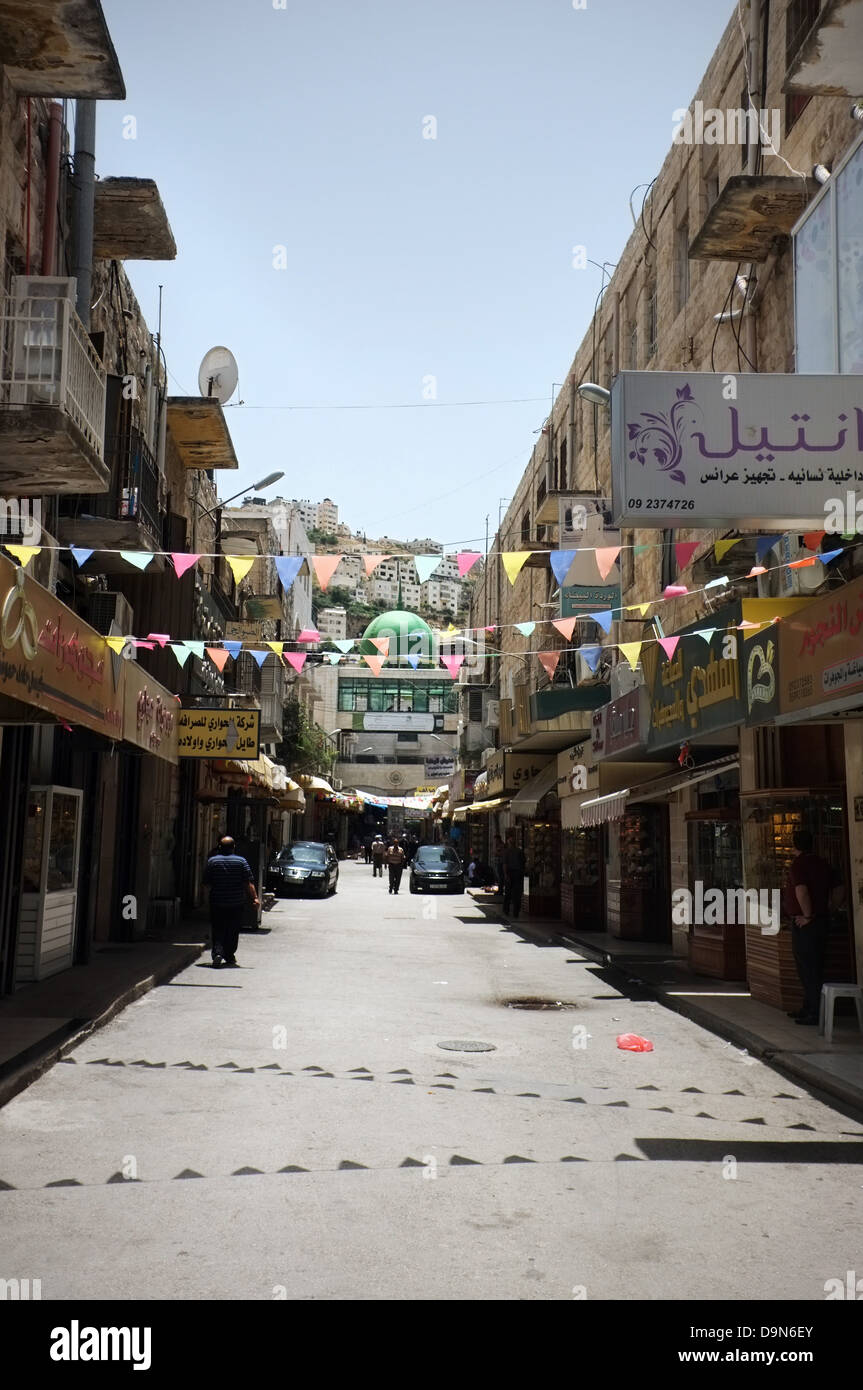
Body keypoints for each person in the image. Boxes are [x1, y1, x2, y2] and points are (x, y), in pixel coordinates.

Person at [781, 829, 833, 1025]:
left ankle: (814, 1012)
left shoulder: (799, 864)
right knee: (814, 967)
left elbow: (801, 891)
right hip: (821, 921)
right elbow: (839, 889)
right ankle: (808, 1006)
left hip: (806, 924)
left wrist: (808, 915)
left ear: (795, 845)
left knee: (808, 969)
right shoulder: (822, 862)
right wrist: (829, 909)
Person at [203, 835, 260, 969]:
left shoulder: (212, 862)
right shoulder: (241, 862)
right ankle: (229, 955)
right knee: (232, 930)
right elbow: (248, 883)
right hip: (236, 903)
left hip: (217, 902)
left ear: (220, 848)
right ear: (234, 848)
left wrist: (209, 898)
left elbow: (206, 884)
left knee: (218, 928)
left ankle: (217, 952)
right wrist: (255, 898)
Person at [502, 831, 526, 919]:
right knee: (516, 893)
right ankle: (515, 911)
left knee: (508, 893)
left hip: (511, 873)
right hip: (517, 873)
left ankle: (507, 910)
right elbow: (524, 863)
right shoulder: (519, 851)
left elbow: (504, 864)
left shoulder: (507, 852)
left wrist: (505, 874)